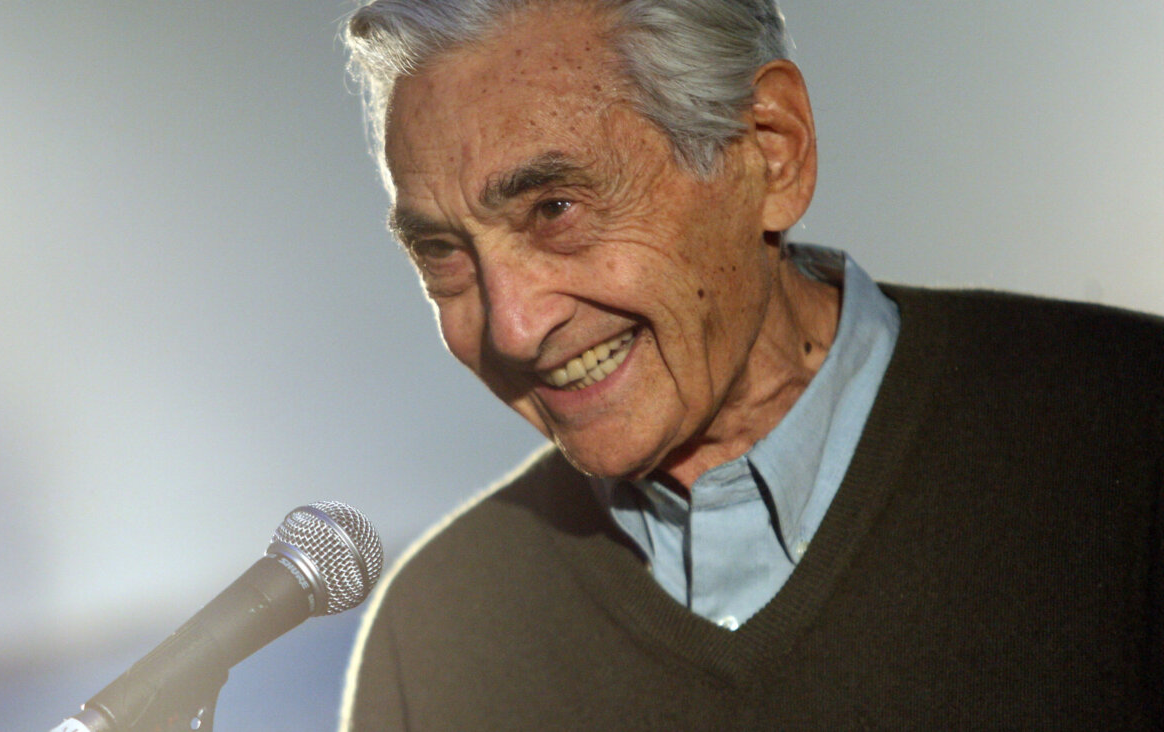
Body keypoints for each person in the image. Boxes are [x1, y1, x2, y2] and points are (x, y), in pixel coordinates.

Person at [338, 0, 1163, 728]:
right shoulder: (436, 640)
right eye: (444, 252)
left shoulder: (1133, 432)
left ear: (771, 152)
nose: (514, 328)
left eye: (556, 209)